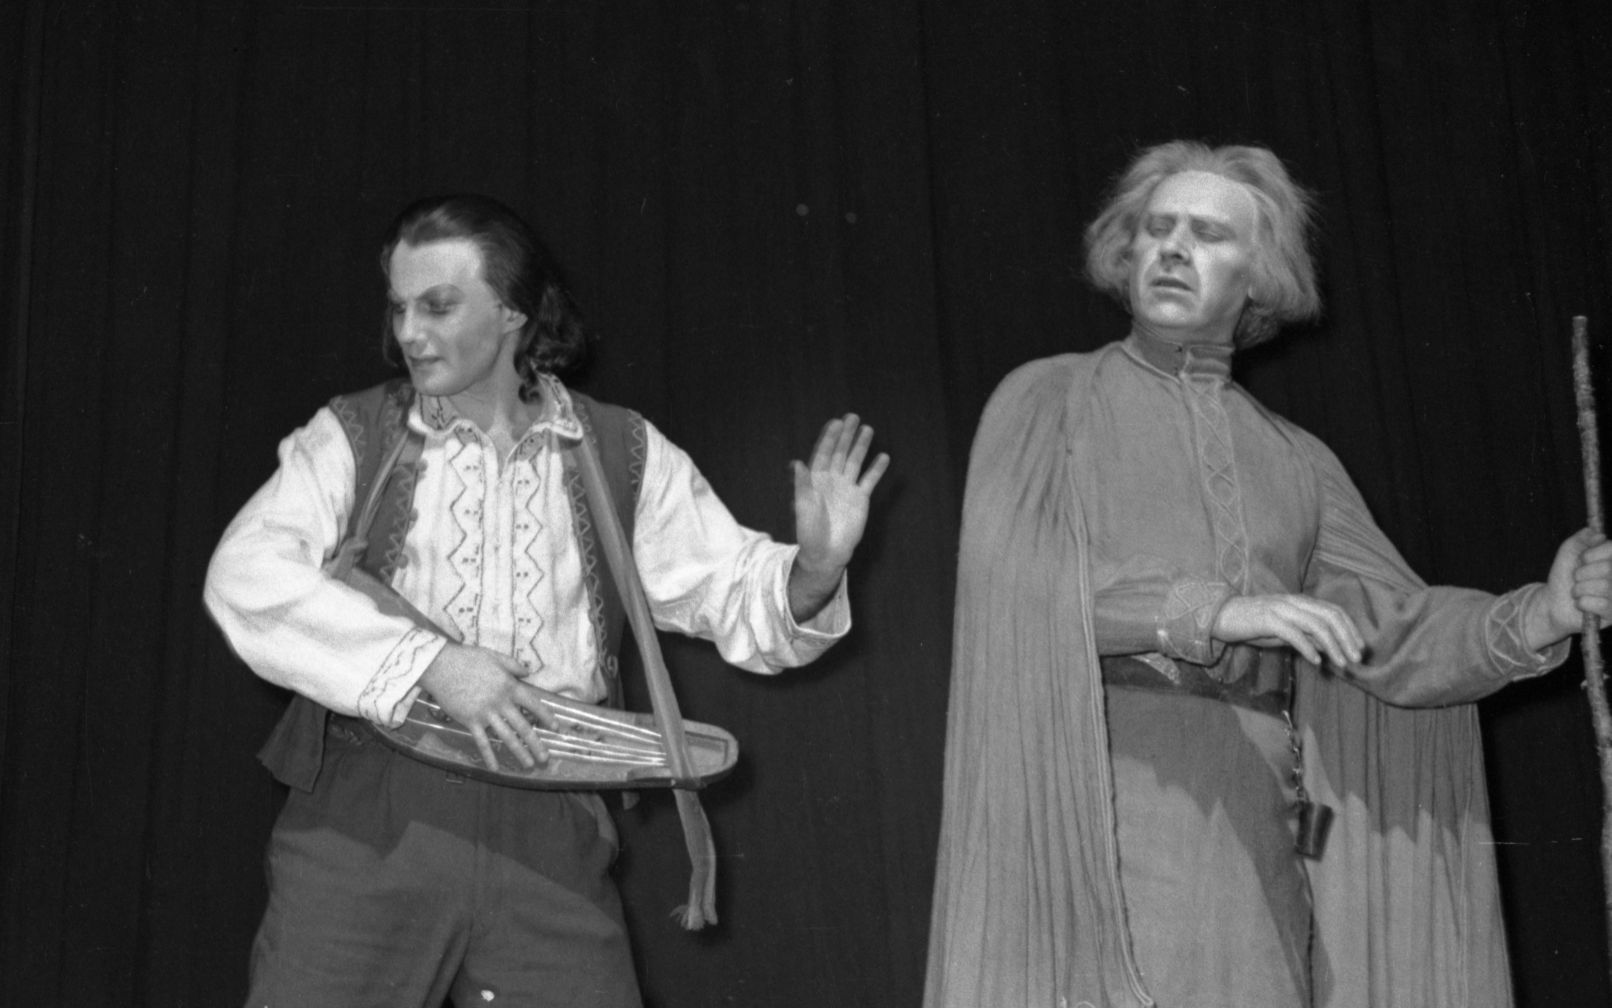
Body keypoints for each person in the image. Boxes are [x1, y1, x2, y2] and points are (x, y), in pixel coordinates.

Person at [922, 141, 1612, 1008]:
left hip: (1262, 832)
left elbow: (1387, 632)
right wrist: (1214, 613)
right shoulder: (1047, 402)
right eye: (1156, 228)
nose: (1173, 249)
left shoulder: (1297, 460)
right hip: (1096, 805)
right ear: (1126, 252)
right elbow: (1016, 589)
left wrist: (1541, 614)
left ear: (1261, 277)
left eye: (1208, 234)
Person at [204, 193, 889, 1008]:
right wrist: (430, 664)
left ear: (514, 312)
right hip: (372, 817)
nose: (409, 332)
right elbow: (246, 574)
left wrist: (815, 569)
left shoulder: (619, 448)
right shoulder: (354, 434)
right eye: (398, 306)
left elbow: (733, 590)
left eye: (438, 305)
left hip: (551, 821)